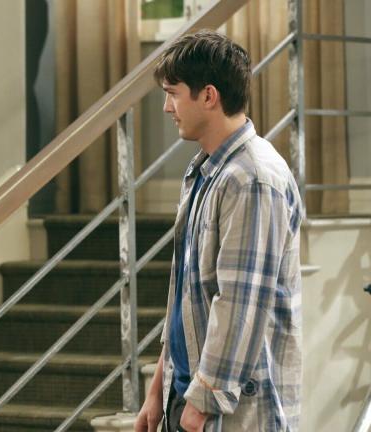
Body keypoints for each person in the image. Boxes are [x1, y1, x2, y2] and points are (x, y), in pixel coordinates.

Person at [135, 31, 303, 431]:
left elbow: (240, 303)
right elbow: (184, 296)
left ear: (208, 96)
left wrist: (200, 408)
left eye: (173, 94)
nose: (167, 107)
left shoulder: (252, 179)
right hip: (188, 397)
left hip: (232, 413)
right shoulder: (205, 171)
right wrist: (158, 391)